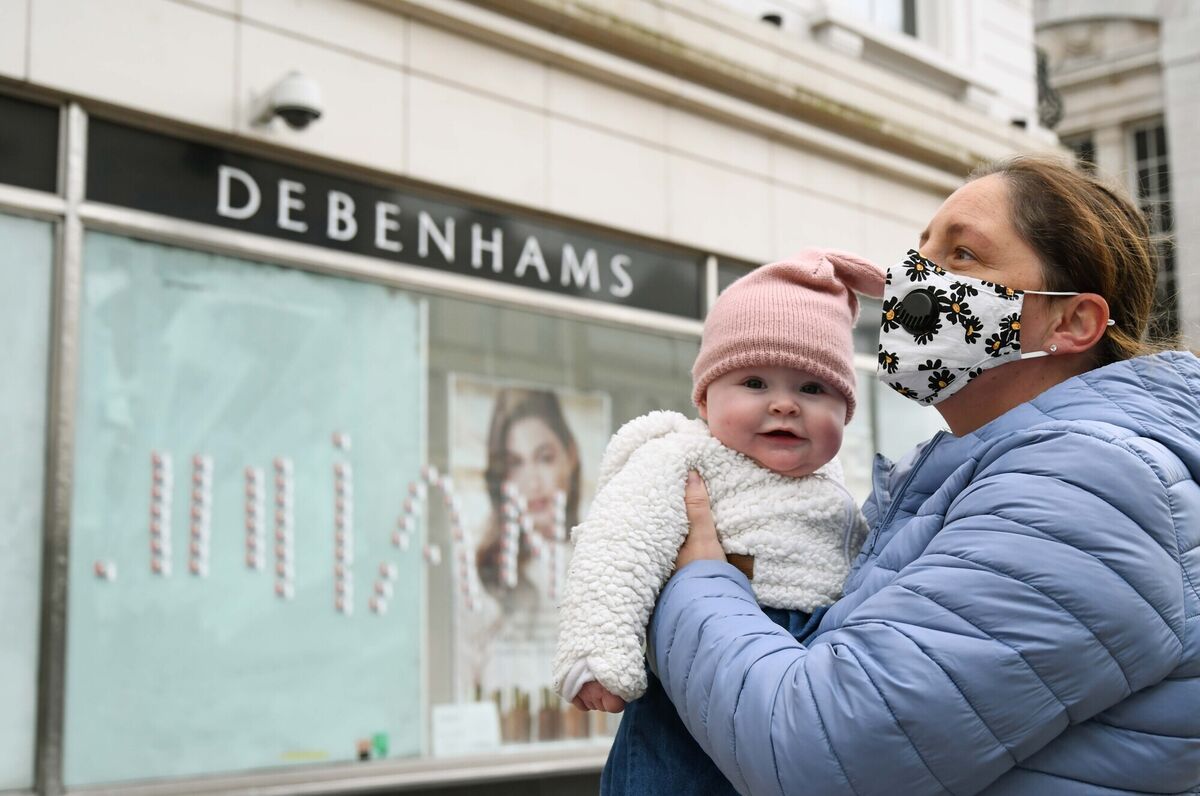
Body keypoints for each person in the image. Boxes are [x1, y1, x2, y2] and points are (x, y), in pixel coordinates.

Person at [646, 156, 1200, 794]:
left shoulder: (1090, 486)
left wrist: (693, 576)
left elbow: (819, 752)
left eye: (962, 255)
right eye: (920, 253)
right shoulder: (986, 474)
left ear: (1070, 322)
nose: (917, 281)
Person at [554, 249, 882, 793]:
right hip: (690, 691)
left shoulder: (838, 492)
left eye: (812, 388)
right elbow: (619, 547)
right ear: (704, 400)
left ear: (845, 411)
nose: (784, 405)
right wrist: (597, 654)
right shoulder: (682, 458)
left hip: (801, 687)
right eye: (754, 383)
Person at [467, 388, 582, 739]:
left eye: (544, 457)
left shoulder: (598, 556)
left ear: (570, 458)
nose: (532, 482)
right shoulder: (483, 578)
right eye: (515, 463)